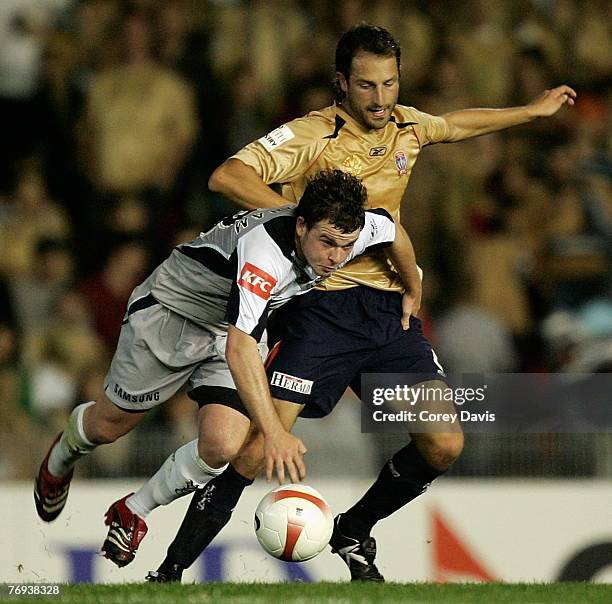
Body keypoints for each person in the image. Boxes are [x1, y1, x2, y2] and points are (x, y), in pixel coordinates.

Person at [122, 23, 576, 583]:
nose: (381, 99)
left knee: (443, 443)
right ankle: (169, 573)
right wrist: (296, 222)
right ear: (341, 83)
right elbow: (228, 176)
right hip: (320, 310)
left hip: (387, 317)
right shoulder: (312, 134)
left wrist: (530, 113)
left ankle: (354, 529)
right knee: (259, 446)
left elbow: (456, 125)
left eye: (389, 84)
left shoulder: (408, 124)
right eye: (366, 86)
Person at [33, 168, 417, 562]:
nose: (336, 257)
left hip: (231, 328)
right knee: (109, 426)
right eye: (327, 243)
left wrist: (412, 288)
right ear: (301, 225)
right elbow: (240, 348)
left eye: (345, 245)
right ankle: (62, 456)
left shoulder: (352, 229)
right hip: (172, 314)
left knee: (223, 444)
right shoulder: (265, 252)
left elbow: (394, 234)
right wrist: (274, 433)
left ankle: (134, 511)